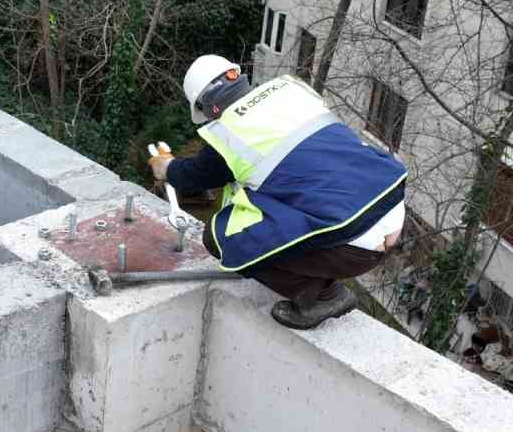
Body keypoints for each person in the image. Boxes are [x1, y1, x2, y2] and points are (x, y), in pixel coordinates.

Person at [150, 55, 408, 329]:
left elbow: (193, 176)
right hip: (388, 209)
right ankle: (324, 282)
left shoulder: (230, 132)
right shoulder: (291, 92)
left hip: (352, 240)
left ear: (208, 108)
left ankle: (323, 296)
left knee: (221, 237)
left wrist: (166, 166)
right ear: (238, 78)